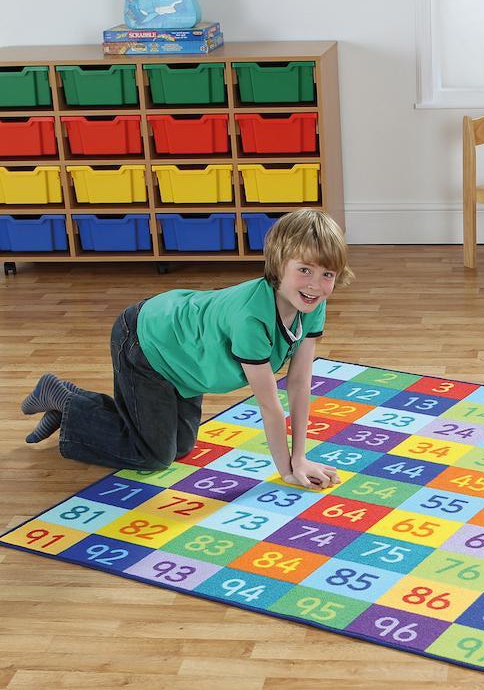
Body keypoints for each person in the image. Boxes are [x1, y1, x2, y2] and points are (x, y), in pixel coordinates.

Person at [21, 209, 353, 490]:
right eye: (304, 270)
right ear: (279, 264)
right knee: (152, 455)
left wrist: (302, 456)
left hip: (186, 361)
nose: (315, 284)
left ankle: (76, 407)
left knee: (180, 447)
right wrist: (288, 471)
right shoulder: (252, 317)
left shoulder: (311, 304)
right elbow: (269, 405)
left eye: (327, 274)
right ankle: (66, 400)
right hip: (147, 342)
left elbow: (298, 382)